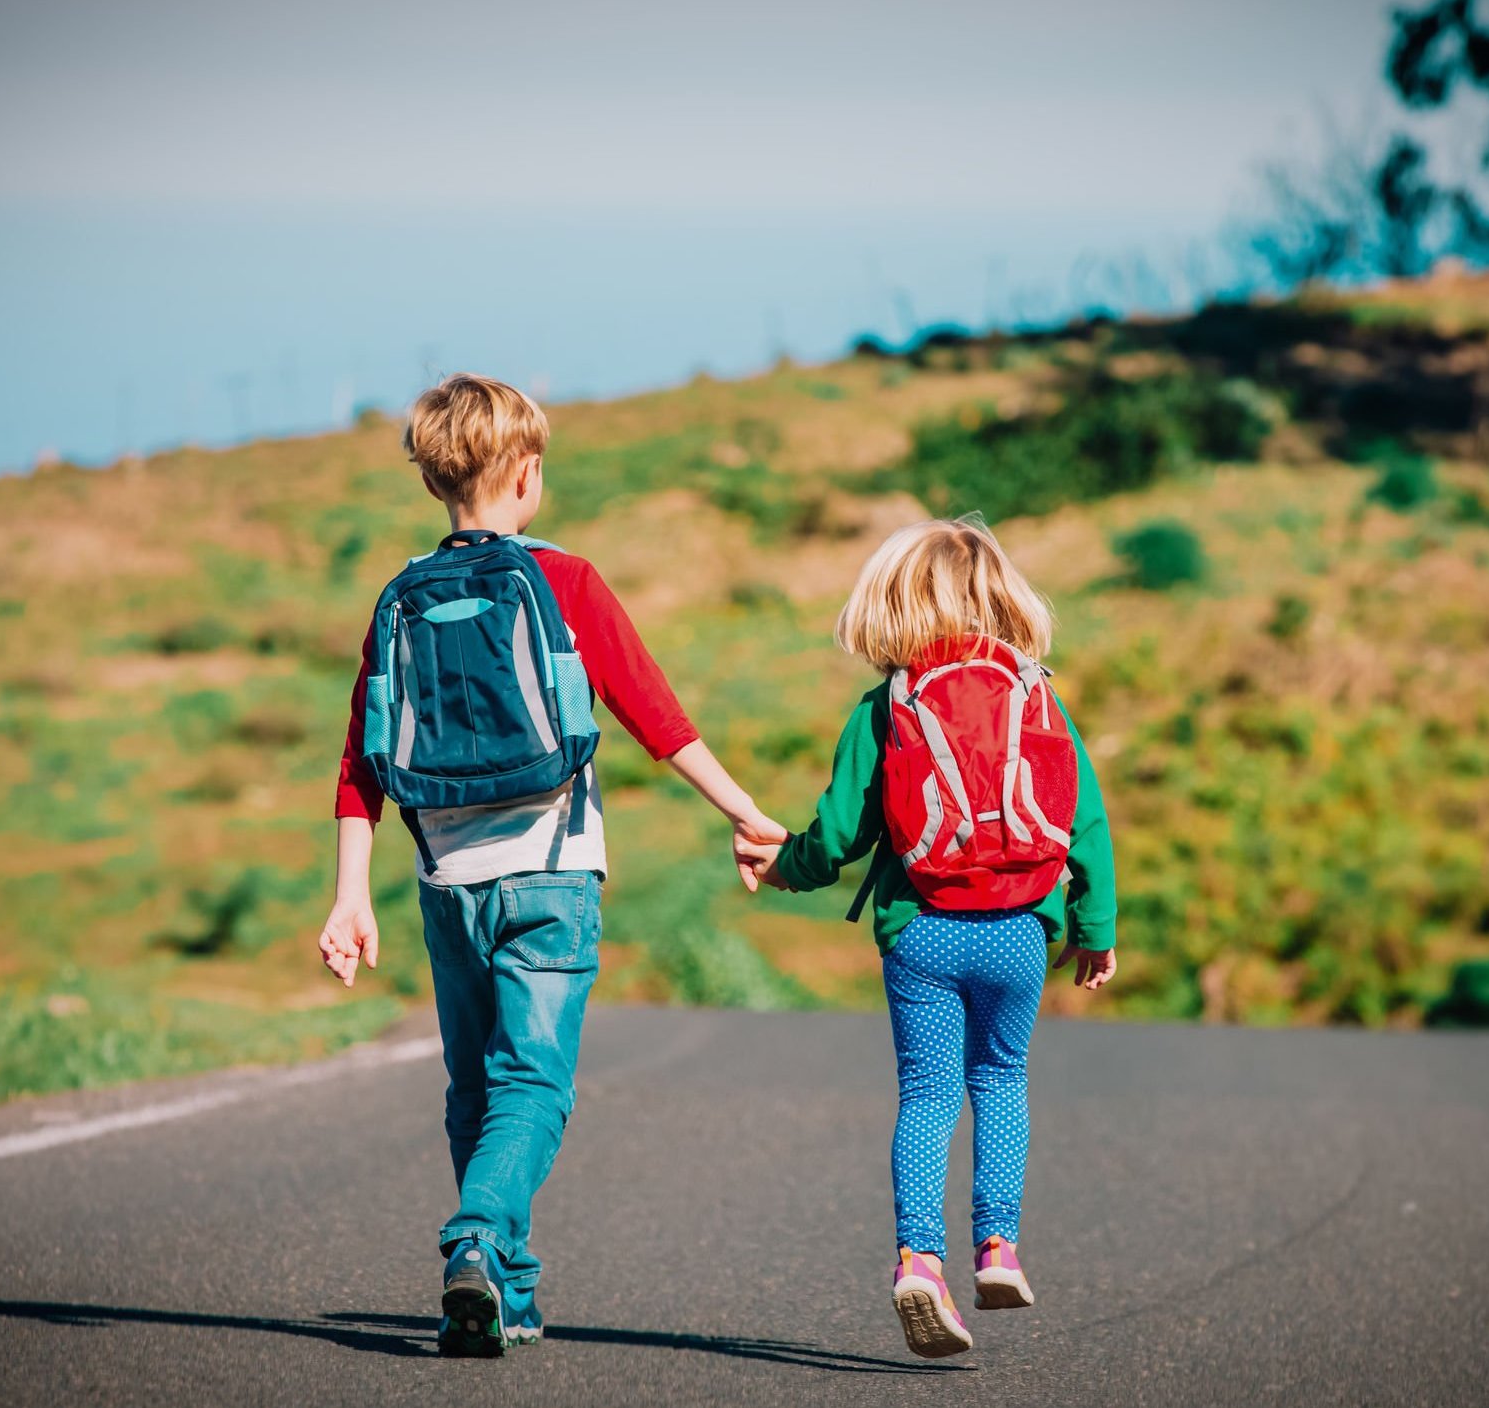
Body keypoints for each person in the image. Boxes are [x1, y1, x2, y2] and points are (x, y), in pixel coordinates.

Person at [314, 373, 786, 1356]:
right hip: (553, 876)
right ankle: (479, 1241)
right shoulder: (565, 581)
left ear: (438, 481)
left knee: (473, 1090)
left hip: (445, 884)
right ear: (527, 474)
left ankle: (506, 1295)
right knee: (532, 1085)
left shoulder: (401, 595)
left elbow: (362, 762)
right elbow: (655, 716)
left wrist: (349, 895)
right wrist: (746, 813)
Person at [739, 516, 1117, 1359]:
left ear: (894, 606)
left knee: (927, 1091)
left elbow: (838, 836)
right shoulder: (1039, 698)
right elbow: (1085, 824)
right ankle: (999, 1248)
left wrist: (780, 866)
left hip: (922, 931)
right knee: (1002, 1076)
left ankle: (919, 1259)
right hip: (1020, 930)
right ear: (1005, 599)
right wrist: (1096, 932)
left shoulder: (887, 707)